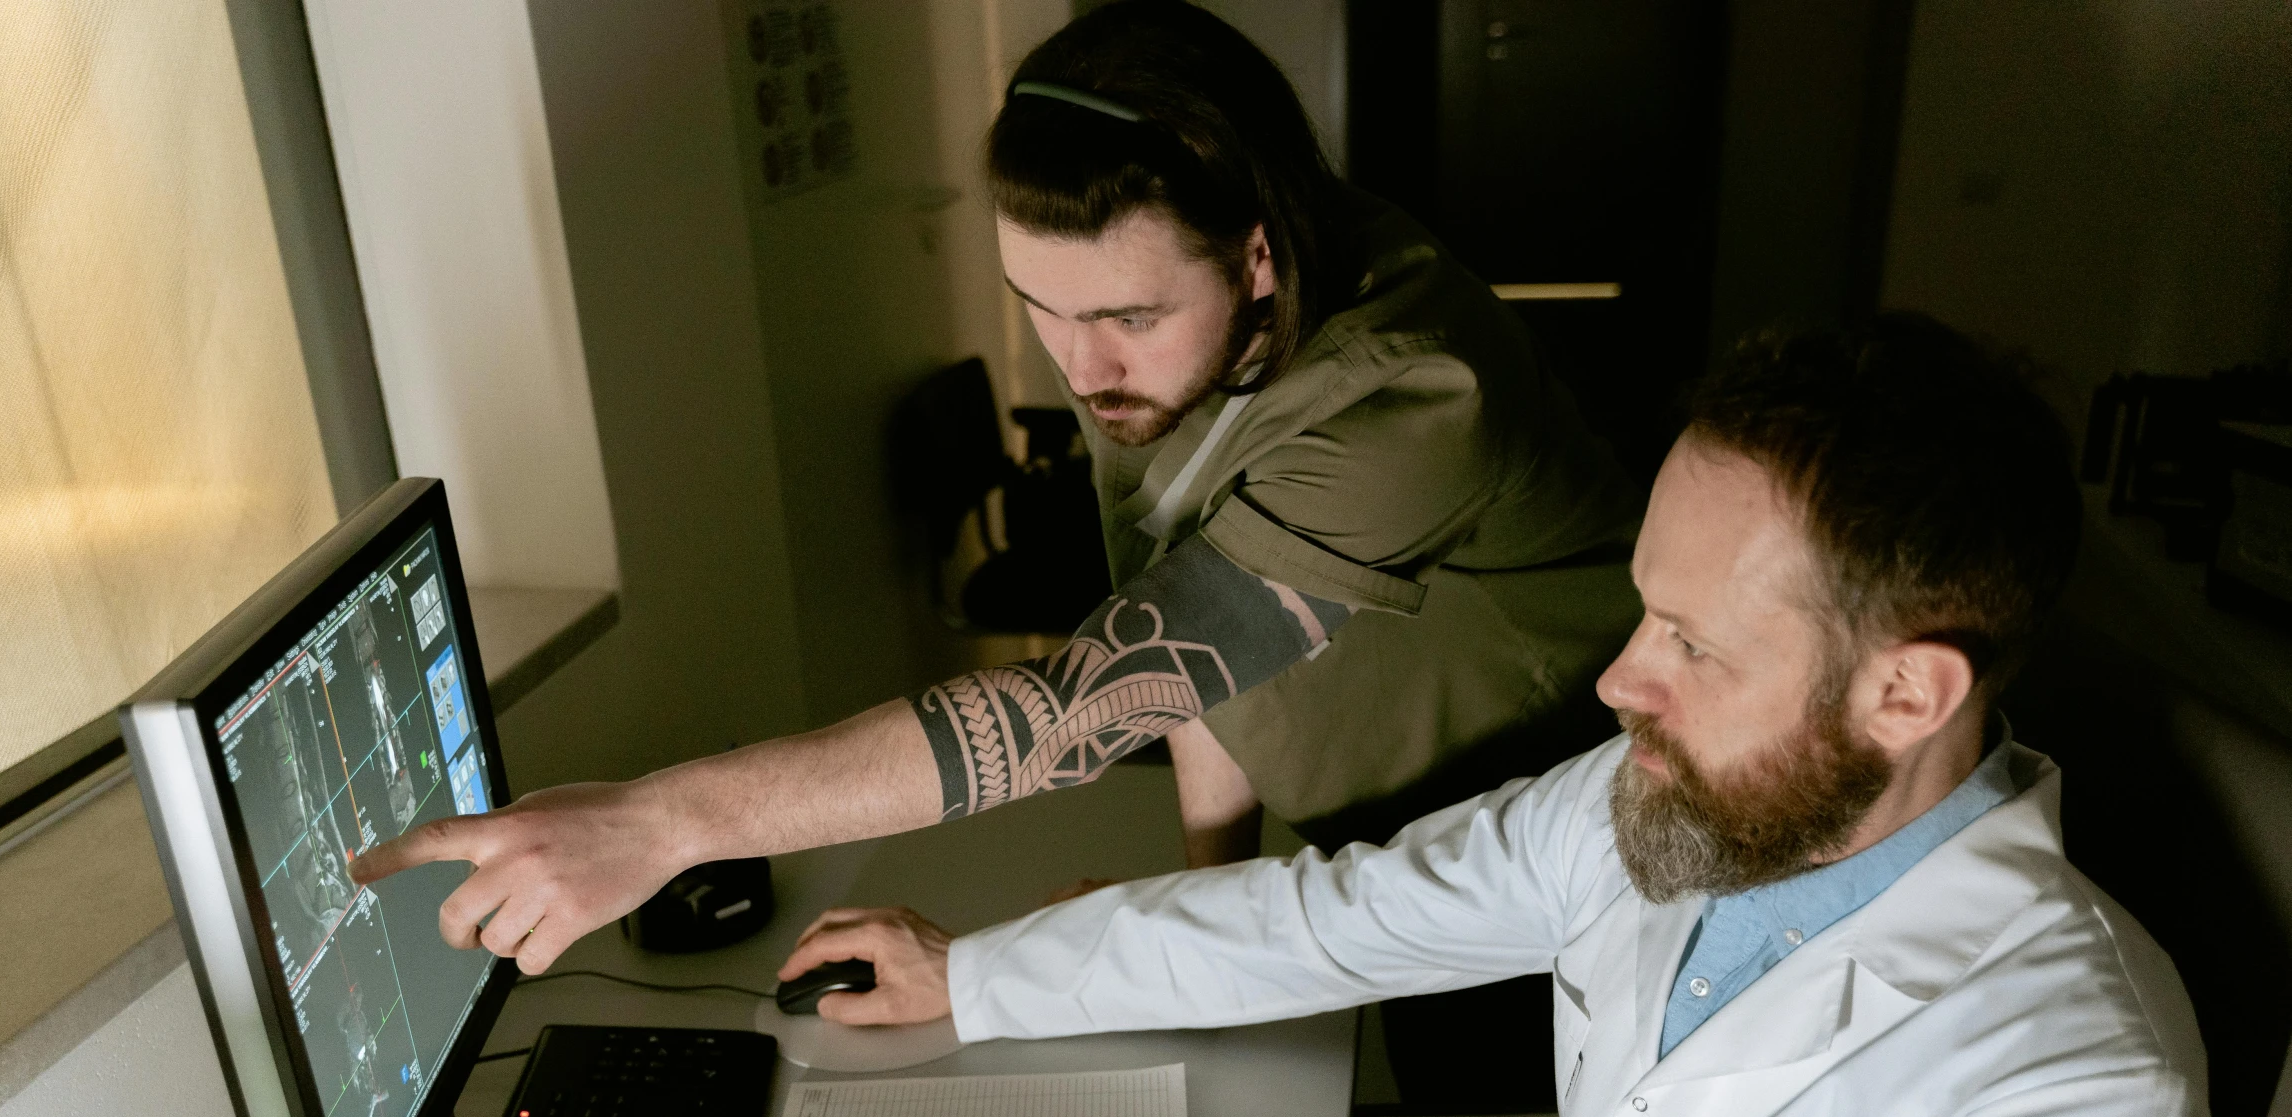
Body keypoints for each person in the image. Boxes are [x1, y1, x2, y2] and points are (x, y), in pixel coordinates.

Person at [770, 314, 2215, 1117]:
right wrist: (977, 973)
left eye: (1690, 646)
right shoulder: (1685, 792)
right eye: (1645, 611)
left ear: (1905, 694)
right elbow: (1338, 921)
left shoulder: (2073, 1089)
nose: (1616, 680)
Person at [346, 1, 1639, 997]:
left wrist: (660, 821)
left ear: (1256, 256)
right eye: (1044, 308)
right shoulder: (1175, 341)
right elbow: (1192, 636)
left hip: (1582, 855)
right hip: (1403, 848)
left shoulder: (1408, 401)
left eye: (1126, 316)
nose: (1082, 367)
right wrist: (1197, 901)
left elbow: (1099, 696)